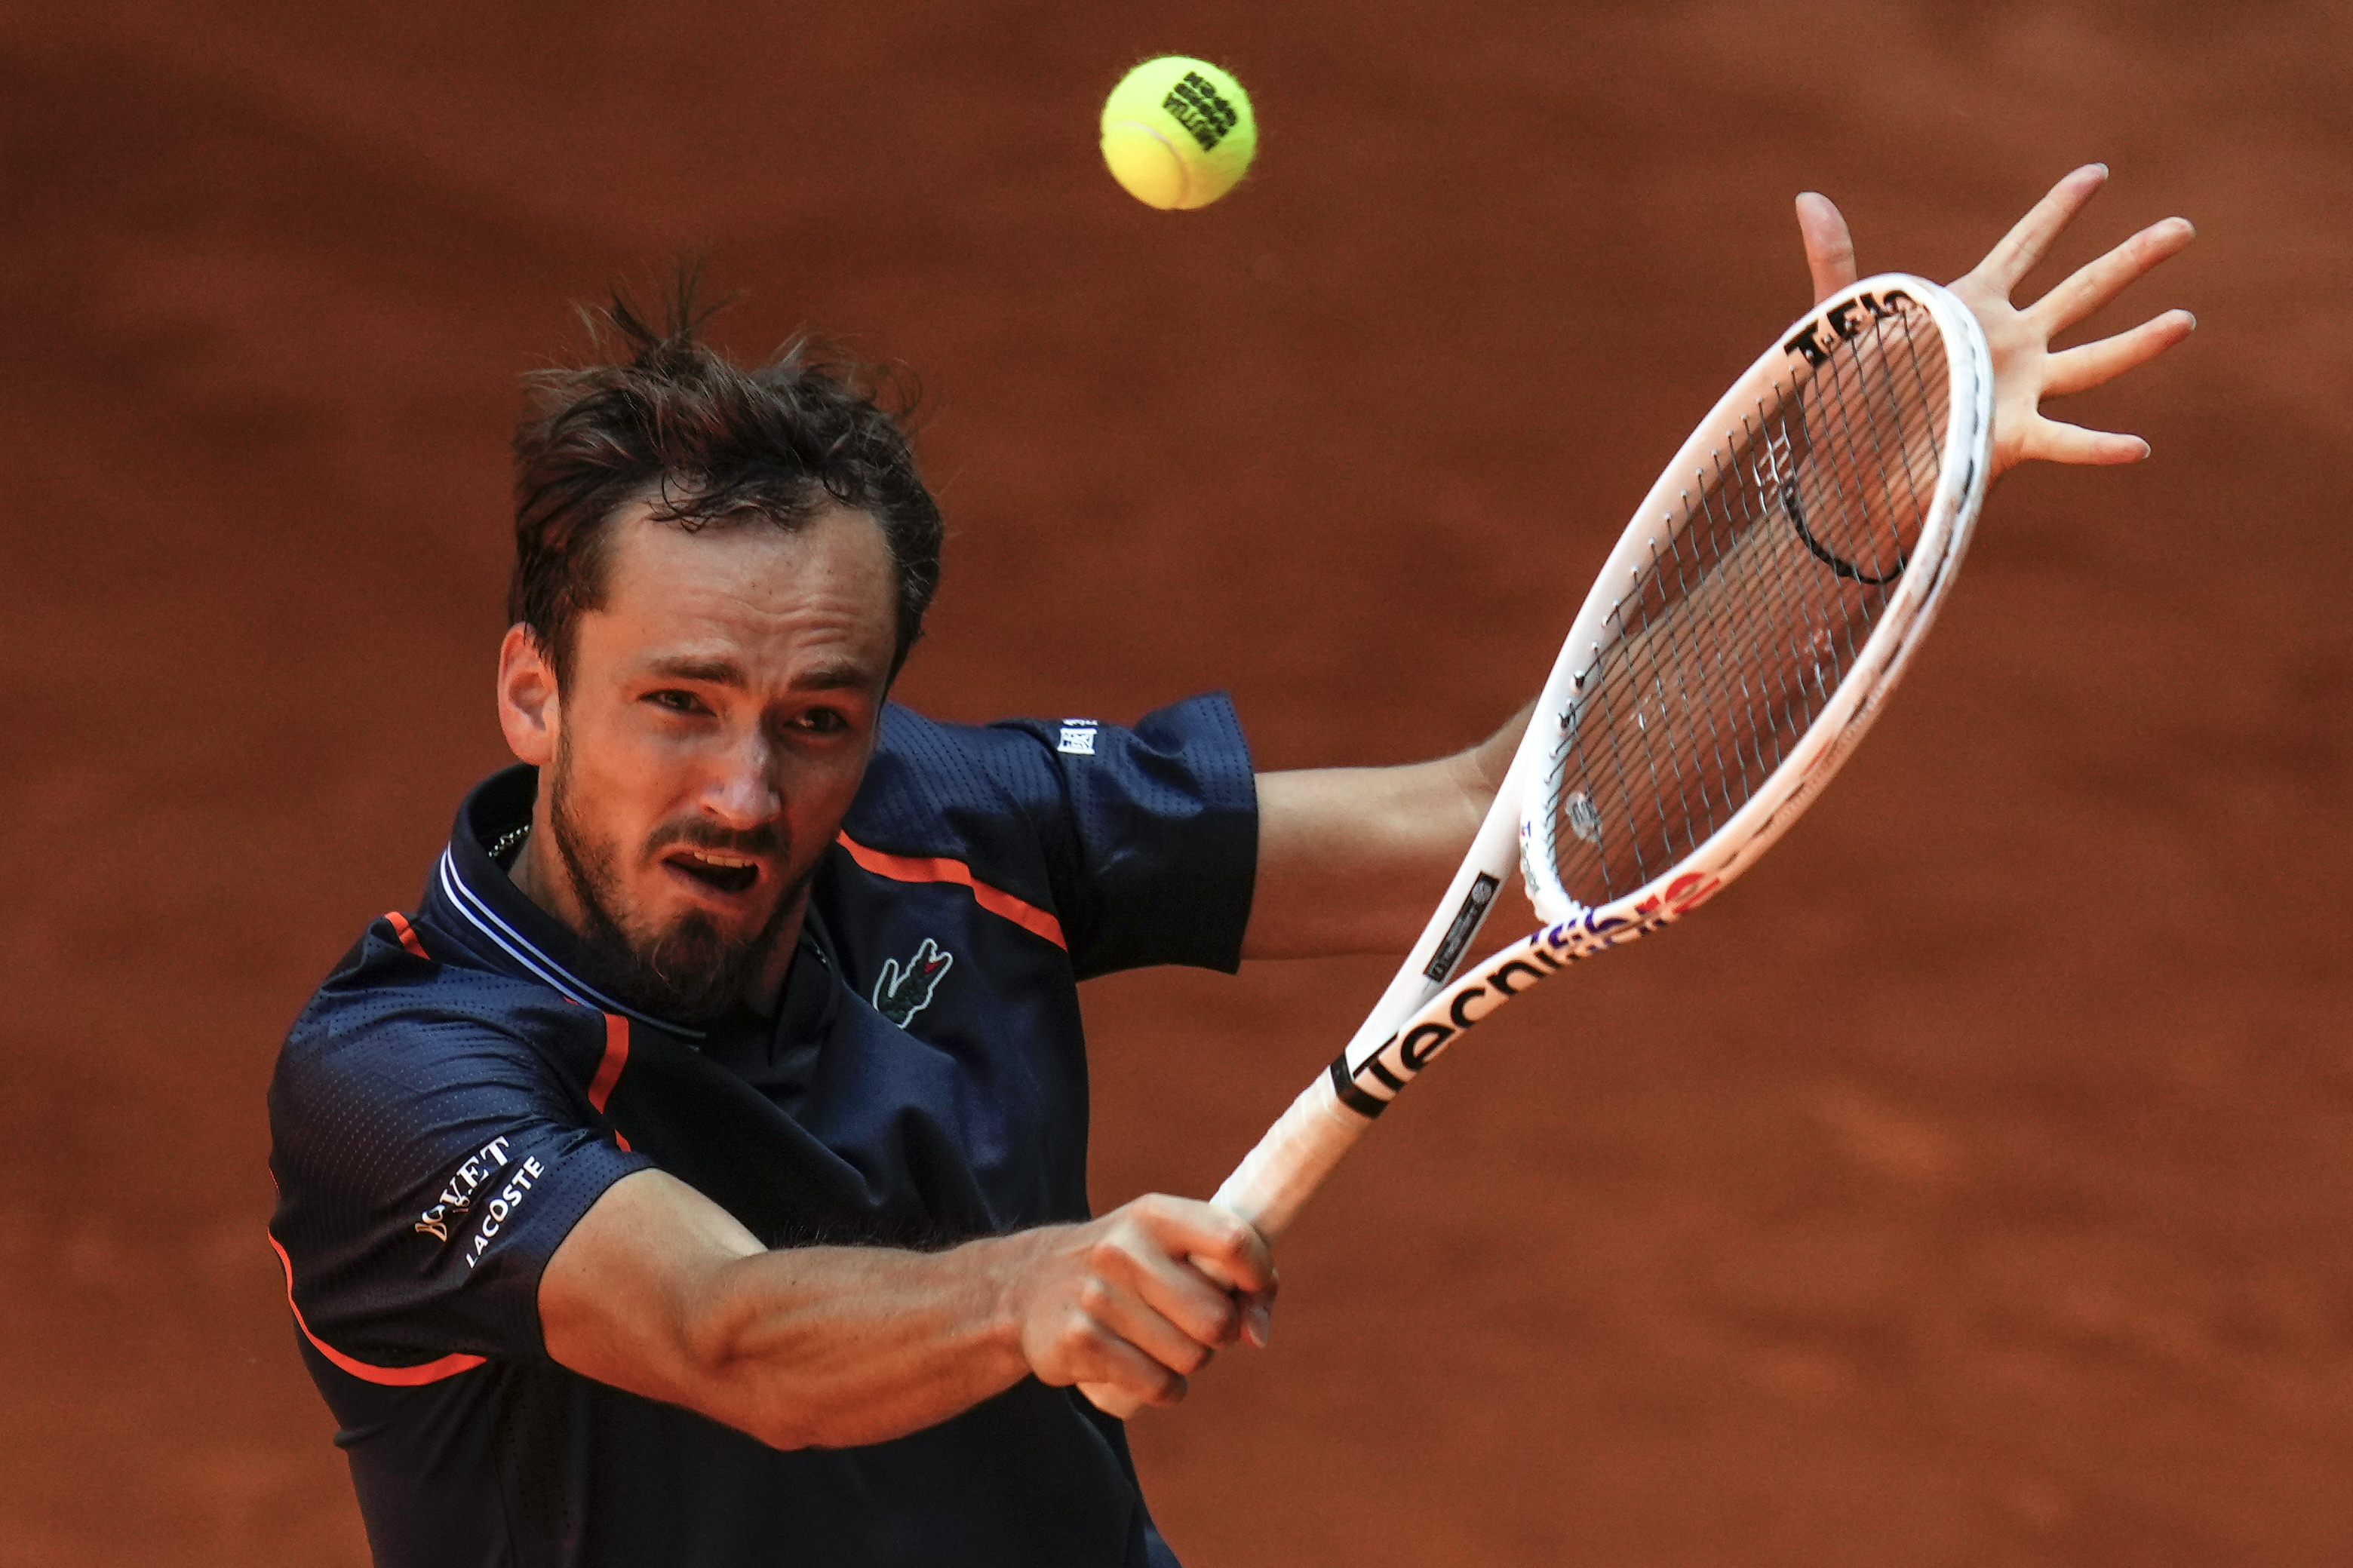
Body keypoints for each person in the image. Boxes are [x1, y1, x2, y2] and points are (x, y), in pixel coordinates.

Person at [267, 166, 2192, 1567]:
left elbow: (1489, 829)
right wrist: (1029, 1288)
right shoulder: (400, 1075)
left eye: (819, 716)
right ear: (532, 690)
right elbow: (725, 1330)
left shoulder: (958, 825)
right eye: (675, 703)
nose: (749, 789)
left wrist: (1832, 506)